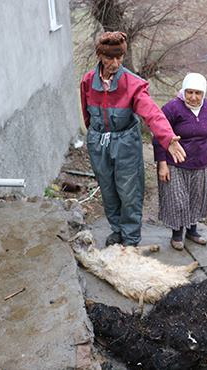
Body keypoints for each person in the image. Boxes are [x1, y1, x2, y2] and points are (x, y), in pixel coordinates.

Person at [80, 31, 186, 247]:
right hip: (99, 142)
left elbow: (152, 113)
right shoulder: (88, 81)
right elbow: (87, 114)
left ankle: (130, 238)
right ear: (99, 56)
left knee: (129, 190)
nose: (115, 63)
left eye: (119, 58)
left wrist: (168, 138)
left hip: (126, 143)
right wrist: (94, 136)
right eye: (110, 58)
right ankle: (117, 230)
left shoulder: (134, 84)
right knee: (108, 189)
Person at [153, 73, 207, 251]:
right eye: (189, 92)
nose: (193, 97)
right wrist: (162, 164)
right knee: (178, 201)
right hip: (174, 163)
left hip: (199, 164)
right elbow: (158, 136)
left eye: (198, 93)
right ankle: (177, 235)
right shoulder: (171, 108)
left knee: (195, 199)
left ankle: (192, 232)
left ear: (204, 93)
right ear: (183, 90)